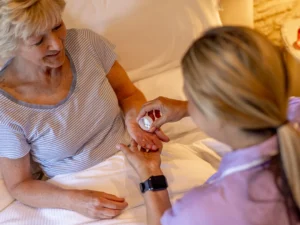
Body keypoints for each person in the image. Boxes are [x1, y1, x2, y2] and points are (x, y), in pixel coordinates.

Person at [0, 0, 168, 219]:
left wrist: (136, 123)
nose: (57, 44)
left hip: (140, 160)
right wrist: (75, 200)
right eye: (39, 40)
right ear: (11, 46)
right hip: (77, 187)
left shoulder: (86, 43)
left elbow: (128, 94)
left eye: (57, 26)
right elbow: (20, 184)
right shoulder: (6, 108)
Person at [117, 26, 300, 225]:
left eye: (190, 97)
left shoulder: (205, 211)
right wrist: (188, 107)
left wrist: (150, 174)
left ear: (212, 112)